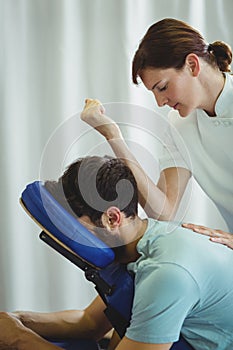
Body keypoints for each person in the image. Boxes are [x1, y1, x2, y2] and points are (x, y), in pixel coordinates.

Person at [1, 155, 233, 350]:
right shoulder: (137, 244)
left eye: (75, 228)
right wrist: (18, 321)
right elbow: (90, 322)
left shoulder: (166, 273)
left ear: (112, 218)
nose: (73, 238)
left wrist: (19, 339)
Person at [80, 17, 233, 249]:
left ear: (193, 65)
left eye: (162, 87)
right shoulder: (180, 125)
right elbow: (164, 212)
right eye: (154, 92)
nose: (160, 102)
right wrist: (113, 136)